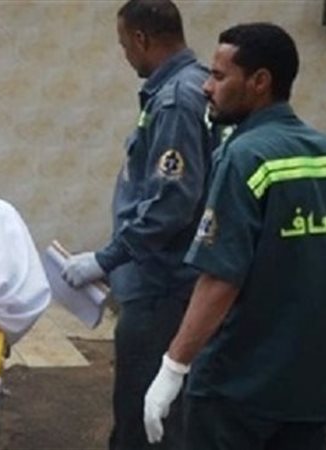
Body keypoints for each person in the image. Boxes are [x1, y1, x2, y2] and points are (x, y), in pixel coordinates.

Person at [142, 23, 326, 450]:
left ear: (259, 81)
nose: (206, 87)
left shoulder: (245, 157)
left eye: (219, 76)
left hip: (239, 391)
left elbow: (219, 277)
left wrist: (173, 368)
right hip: (314, 390)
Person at [61, 0, 215, 448]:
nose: (125, 55)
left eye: (124, 44)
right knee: (156, 409)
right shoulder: (189, 86)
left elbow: (172, 202)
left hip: (161, 285)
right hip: (161, 279)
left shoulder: (176, 100)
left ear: (141, 39)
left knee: (143, 412)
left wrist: (107, 258)